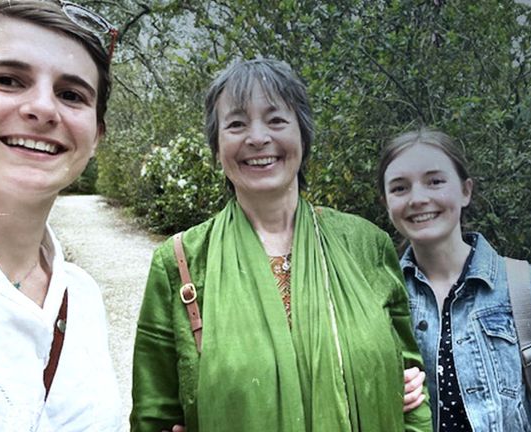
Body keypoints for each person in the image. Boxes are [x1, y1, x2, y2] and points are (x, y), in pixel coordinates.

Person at [131, 59, 432, 432]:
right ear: (217, 144)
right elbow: (154, 416)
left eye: (276, 120)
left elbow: (412, 392)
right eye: (237, 124)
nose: (257, 138)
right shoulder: (181, 262)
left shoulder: (365, 245)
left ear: (303, 136)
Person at [0, 1, 122, 430]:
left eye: (71, 94)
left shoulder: (84, 299)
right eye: (7, 80)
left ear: (95, 136)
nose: (43, 109)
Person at [378, 128, 531, 431]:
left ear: (466, 190)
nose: (418, 198)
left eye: (435, 181)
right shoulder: (378, 298)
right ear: (387, 203)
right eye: (400, 188)